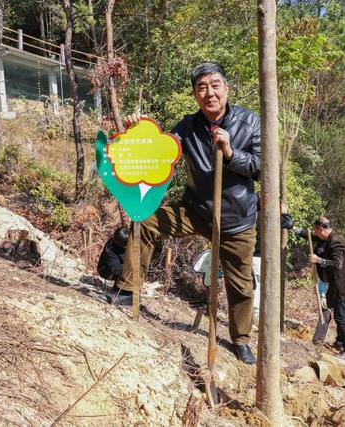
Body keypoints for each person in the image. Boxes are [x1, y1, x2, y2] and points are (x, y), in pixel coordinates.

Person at [105, 62, 260, 365]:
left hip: (236, 220)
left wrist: (230, 153)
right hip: (196, 210)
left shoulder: (250, 122)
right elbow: (161, 151)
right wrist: (138, 130)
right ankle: (126, 290)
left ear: (226, 88)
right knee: (145, 219)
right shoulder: (188, 126)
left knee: (240, 283)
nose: (209, 93)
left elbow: (261, 167)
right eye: (202, 88)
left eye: (215, 85)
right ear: (194, 94)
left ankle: (241, 340)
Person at [294, 217, 345, 362]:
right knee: (326, 309)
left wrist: (319, 260)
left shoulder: (336, 241)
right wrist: (294, 229)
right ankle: (320, 340)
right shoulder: (325, 238)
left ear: (321, 229)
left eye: (317, 231)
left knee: (341, 318)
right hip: (334, 286)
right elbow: (310, 236)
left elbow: (337, 264)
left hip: (343, 287)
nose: (316, 234)